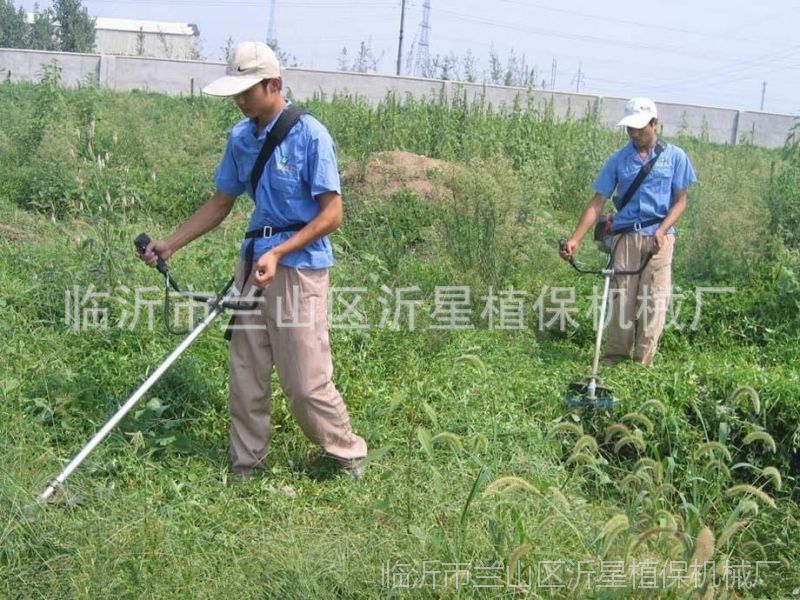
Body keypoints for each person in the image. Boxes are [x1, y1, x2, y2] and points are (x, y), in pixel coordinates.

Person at [137, 41, 367, 481]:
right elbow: (221, 202)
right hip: (254, 264)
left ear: (274, 84)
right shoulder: (241, 138)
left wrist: (280, 251)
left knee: (304, 381)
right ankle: (248, 463)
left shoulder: (309, 135)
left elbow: (332, 213)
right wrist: (171, 244)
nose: (240, 101)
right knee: (246, 371)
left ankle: (347, 453)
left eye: (247, 91)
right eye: (236, 93)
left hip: (297, 267)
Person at [559, 97, 697, 366]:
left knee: (653, 301)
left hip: (660, 239)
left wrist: (663, 230)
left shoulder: (675, 157)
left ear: (654, 124)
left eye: (640, 128)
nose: (634, 134)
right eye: (629, 129)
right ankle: (615, 359)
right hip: (625, 237)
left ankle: (642, 364)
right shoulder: (618, 160)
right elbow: (597, 202)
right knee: (622, 298)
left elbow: (681, 201)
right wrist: (575, 239)